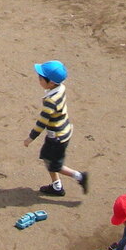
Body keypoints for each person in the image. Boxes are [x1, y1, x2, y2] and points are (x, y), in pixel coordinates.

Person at [24, 59, 89, 197]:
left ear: (51, 83)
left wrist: (30, 138)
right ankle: (56, 185)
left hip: (57, 138)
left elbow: (41, 123)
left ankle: (79, 176)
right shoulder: (60, 88)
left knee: (54, 165)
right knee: (47, 158)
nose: (39, 80)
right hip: (63, 131)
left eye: (41, 78)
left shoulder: (50, 102)